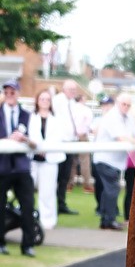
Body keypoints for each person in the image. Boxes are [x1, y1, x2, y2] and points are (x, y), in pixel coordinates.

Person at [93, 93, 135, 230]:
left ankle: (106, 219)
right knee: (112, 189)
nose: (126, 107)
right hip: (105, 159)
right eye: (123, 104)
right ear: (117, 103)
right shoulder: (112, 117)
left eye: (128, 105)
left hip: (115, 161)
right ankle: (109, 219)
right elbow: (121, 137)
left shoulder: (128, 118)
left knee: (109, 190)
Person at [0, 80, 37, 256]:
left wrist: (24, 139)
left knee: (28, 206)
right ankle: (0, 243)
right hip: (2, 167)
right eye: (6, 92)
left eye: (12, 92)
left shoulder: (27, 115)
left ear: (18, 93)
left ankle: (28, 244)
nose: (9, 94)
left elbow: (36, 142)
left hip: (22, 168)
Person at [28, 89, 67, 230]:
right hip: (32, 158)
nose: (44, 101)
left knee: (48, 191)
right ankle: (27, 217)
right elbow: (30, 134)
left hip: (50, 158)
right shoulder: (31, 117)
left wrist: (45, 148)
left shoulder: (56, 119)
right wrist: (38, 147)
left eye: (47, 99)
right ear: (37, 101)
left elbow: (58, 137)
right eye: (42, 99)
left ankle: (48, 220)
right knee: (27, 190)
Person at [51, 79, 81, 215]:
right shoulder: (57, 100)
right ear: (64, 89)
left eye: (74, 90)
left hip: (70, 143)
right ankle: (53, 204)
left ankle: (61, 203)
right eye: (70, 89)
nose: (73, 92)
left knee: (65, 176)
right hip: (59, 143)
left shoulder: (73, 103)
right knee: (56, 176)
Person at [90, 96, 115, 215]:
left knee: (111, 186)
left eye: (108, 105)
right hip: (99, 156)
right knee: (100, 183)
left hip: (113, 158)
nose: (106, 107)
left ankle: (111, 209)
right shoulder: (98, 120)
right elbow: (94, 131)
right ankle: (100, 207)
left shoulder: (117, 120)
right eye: (104, 105)